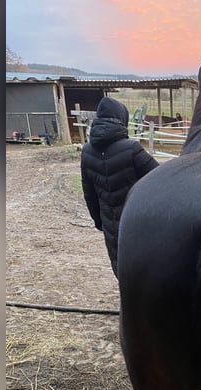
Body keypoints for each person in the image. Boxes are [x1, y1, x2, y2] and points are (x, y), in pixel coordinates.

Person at [81, 97, 160, 278]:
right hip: (138, 223)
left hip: (111, 225)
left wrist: (99, 222)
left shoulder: (86, 152)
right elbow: (160, 178)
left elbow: (89, 195)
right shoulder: (131, 149)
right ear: (120, 119)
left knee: (121, 269)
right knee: (145, 270)